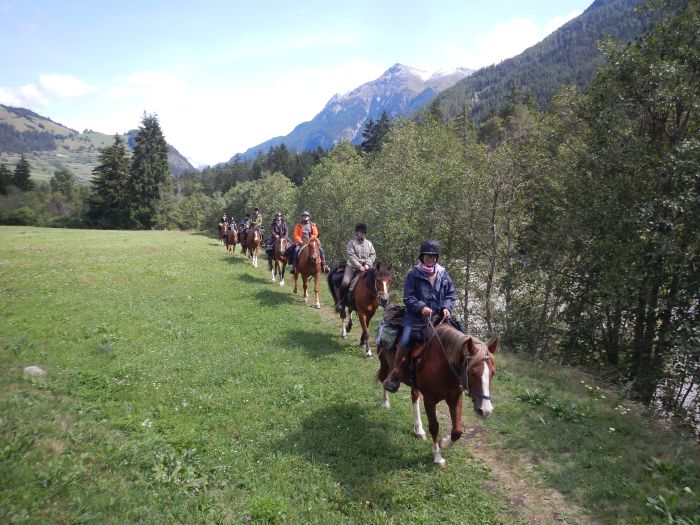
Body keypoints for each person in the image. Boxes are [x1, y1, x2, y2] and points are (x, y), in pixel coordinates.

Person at [383, 239, 456, 393]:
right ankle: (395, 373)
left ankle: (457, 374)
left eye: (434, 256)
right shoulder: (413, 274)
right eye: (428, 256)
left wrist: (446, 307)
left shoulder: (443, 274)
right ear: (422, 257)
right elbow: (408, 298)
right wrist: (421, 307)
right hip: (416, 317)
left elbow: (450, 294)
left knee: (458, 334)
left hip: (439, 317)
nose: (431, 259)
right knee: (405, 337)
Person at [335, 223, 376, 312]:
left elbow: (373, 254)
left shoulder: (369, 244)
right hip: (352, 267)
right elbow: (351, 255)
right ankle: (341, 302)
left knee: (376, 281)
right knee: (345, 282)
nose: (362, 234)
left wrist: (367, 264)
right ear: (357, 232)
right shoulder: (351, 243)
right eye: (360, 232)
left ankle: (377, 301)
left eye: (363, 232)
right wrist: (359, 266)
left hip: (366, 267)